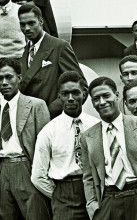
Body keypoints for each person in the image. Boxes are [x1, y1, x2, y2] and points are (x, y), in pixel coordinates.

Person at [81, 77, 137, 220]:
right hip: (108, 200)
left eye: (106, 96)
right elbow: (88, 177)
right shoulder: (88, 136)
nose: (102, 102)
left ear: (117, 96)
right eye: (96, 99)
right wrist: (92, 205)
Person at [32, 71, 100, 219]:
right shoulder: (49, 131)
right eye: (65, 94)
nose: (70, 98)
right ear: (59, 96)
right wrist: (58, 196)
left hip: (95, 189)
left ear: (84, 93)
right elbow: (38, 176)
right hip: (64, 194)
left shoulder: (96, 126)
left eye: (75, 93)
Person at [0, 58, 51, 219]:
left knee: (35, 215)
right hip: (2, 170)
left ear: (19, 77)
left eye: (9, 77)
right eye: (0, 78)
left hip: (28, 167)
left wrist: (41, 174)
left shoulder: (36, 105)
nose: (4, 82)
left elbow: (45, 146)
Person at [18, 4, 84, 117]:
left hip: (53, 118)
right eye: (22, 24)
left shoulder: (60, 46)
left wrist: (52, 110)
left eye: (31, 23)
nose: (27, 28)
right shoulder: (23, 51)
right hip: (29, 118)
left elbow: (81, 87)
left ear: (41, 21)